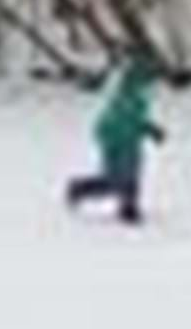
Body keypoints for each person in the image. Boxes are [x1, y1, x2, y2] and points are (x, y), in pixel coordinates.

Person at [65, 53, 166, 224]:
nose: (155, 86)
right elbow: (124, 119)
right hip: (115, 138)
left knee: (130, 174)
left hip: (126, 137)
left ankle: (128, 207)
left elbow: (135, 118)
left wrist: (149, 129)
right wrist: (147, 130)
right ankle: (80, 189)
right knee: (118, 178)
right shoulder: (130, 95)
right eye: (152, 80)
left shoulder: (138, 95)